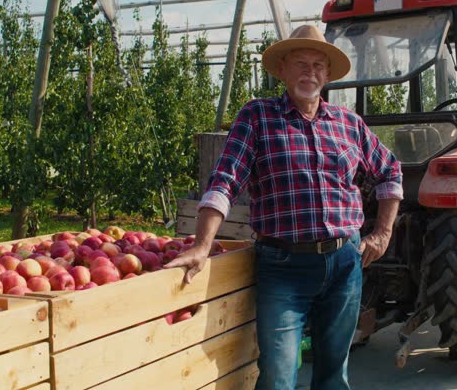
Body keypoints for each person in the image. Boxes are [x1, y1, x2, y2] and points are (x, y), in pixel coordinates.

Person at [165, 24, 403, 390]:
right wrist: (201, 244)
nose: (310, 72)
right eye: (301, 63)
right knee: (277, 377)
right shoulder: (258, 117)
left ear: (327, 74)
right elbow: (225, 180)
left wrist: (383, 232)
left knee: (333, 376)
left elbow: (389, 170)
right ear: (282, 70)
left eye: (318, 65)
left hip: (344, 263)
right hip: (283, 267)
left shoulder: (348, 124)